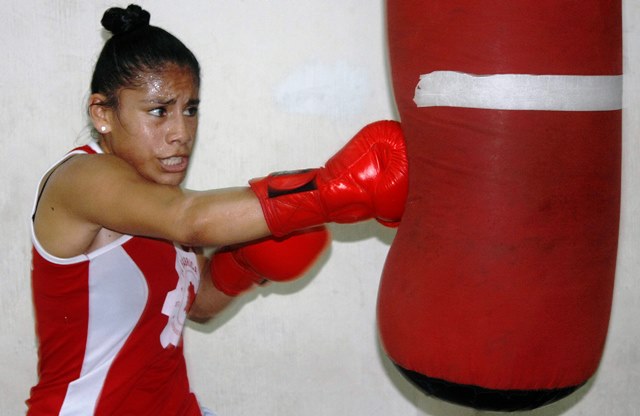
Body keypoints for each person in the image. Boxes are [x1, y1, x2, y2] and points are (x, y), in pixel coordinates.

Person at [26, 4, 408, 415]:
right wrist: (335, 188)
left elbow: (197, 306)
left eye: (190, 109)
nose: (181, 132)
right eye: (159, 111)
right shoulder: (80, 180)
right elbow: (190, 220)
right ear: (102, 113)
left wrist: (242, 265)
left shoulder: (157, 197)